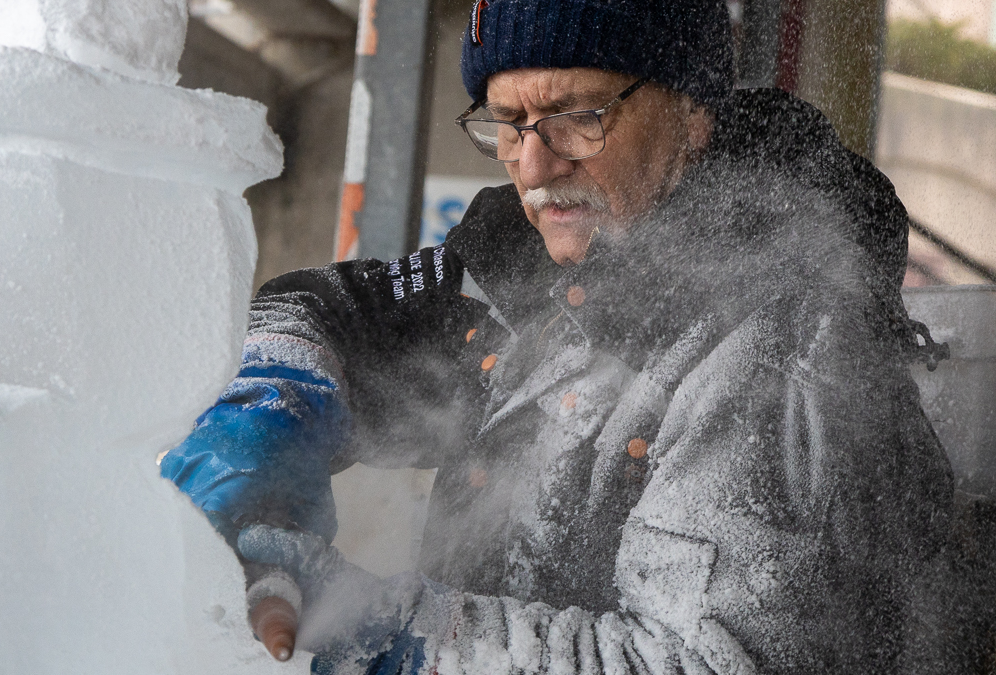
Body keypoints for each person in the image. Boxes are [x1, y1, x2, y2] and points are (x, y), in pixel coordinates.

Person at [162, 0, 956, 672]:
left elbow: (688, 661)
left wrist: (382, 631)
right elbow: (328, 311)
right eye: (507, 123)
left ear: (692, 114)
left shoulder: (784, 349)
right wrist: (272, 407)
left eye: (579, 116)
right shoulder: (529, 265)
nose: (534, 166)